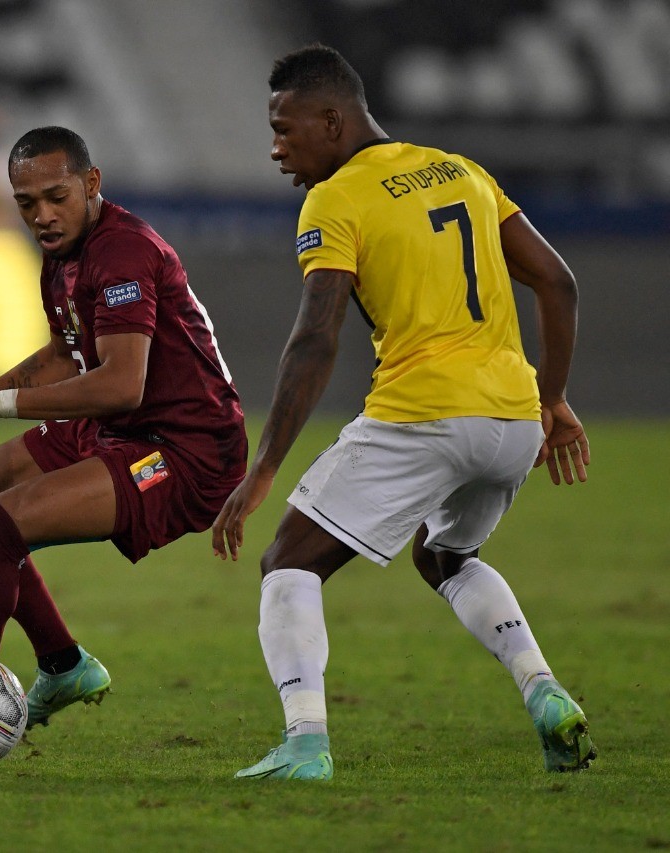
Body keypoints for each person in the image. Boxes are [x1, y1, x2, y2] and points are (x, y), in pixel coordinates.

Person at [211, 44, 596, 781]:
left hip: (424, 411)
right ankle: (544, 690)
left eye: (287, 130)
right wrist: (550, 400)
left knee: (287, 561)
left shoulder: (337, 197)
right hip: (513, 419)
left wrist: (264, 469)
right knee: (445, 554)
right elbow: (558, 282)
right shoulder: (462, 170)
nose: (276, 149)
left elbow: (315, 337)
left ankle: (304, 744)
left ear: (333, 119)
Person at [0, 126, 247, 759]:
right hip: (122, 426)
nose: (41, 216)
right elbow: (68, 356)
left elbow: (122, 383)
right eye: (26, 202)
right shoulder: (65, 253)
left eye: (56, 196)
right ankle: (63, 664)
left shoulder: (124, 252)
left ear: (91, 184)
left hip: (185, 448)